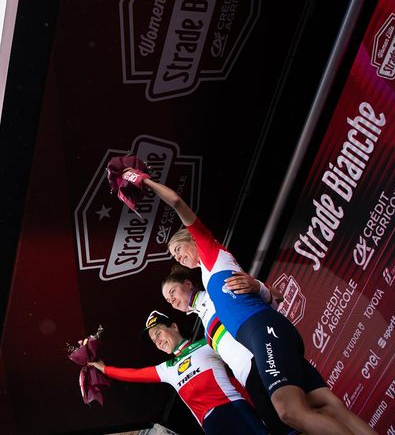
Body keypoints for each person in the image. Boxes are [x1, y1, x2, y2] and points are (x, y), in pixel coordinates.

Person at [125, 169, 377, 435]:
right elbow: (269, 297)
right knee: (328, 405)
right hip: (265, 333)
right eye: (175, 258)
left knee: (290, 412)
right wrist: (260, 288)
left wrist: (144, 181)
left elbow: (176, 202)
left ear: (191, 240)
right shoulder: (209, 280)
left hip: (262, 334)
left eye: (179, 250)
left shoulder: (209, 253)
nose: (178, 259)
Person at [163, 264, 294, 435]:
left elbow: (273, 298)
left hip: (262, 361)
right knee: (284, 426)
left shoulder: (214, 294)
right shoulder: (204, 325)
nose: (171, 300)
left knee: (296, 416)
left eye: (172, 292)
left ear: (188, 283)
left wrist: (261, 288)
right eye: (168, 300)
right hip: (249, 378)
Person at [88, 311, 268, 434]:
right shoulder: (167, 368)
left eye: (158, 333)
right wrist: (104, 368)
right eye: (153, 340)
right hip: (210, 425)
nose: (157, 341)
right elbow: (133, 374)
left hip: (234, 408)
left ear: (173, 327)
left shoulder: (206, 343)